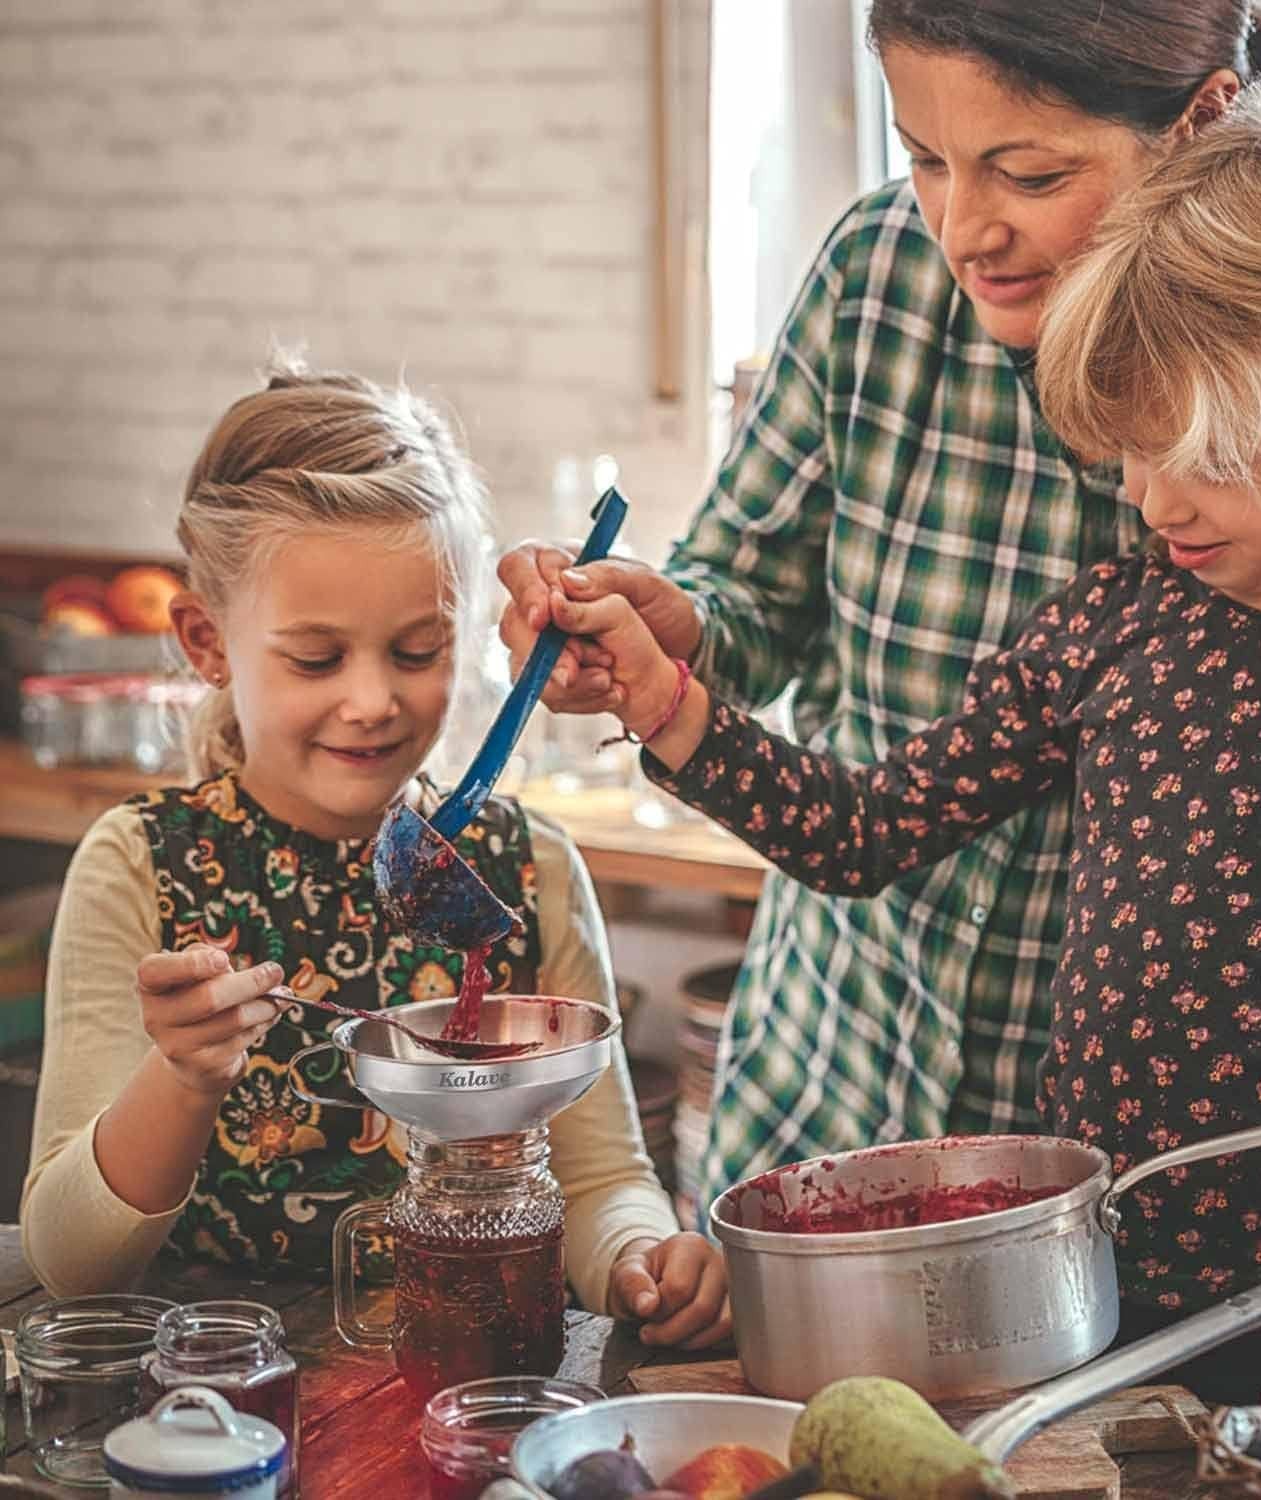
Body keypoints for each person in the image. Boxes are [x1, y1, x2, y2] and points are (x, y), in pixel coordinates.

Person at [544, 88, 1261, 1426]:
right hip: (1100, 1318)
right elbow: (862, 833)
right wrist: (673, 710)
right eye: (1138, 448)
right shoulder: (1113, 625)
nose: (1162, 499)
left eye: (1214, 457)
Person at [21, 359, 730, 1352]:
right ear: (206, 641)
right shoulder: (139, 864)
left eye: (416, 651)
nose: (372, 701)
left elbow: (604, 1180)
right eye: (316, 658)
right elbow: (71, 1260)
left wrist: (641, 1260)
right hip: (219, 1407)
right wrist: (181, 1077)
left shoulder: (529, 870)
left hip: (475, 1385)